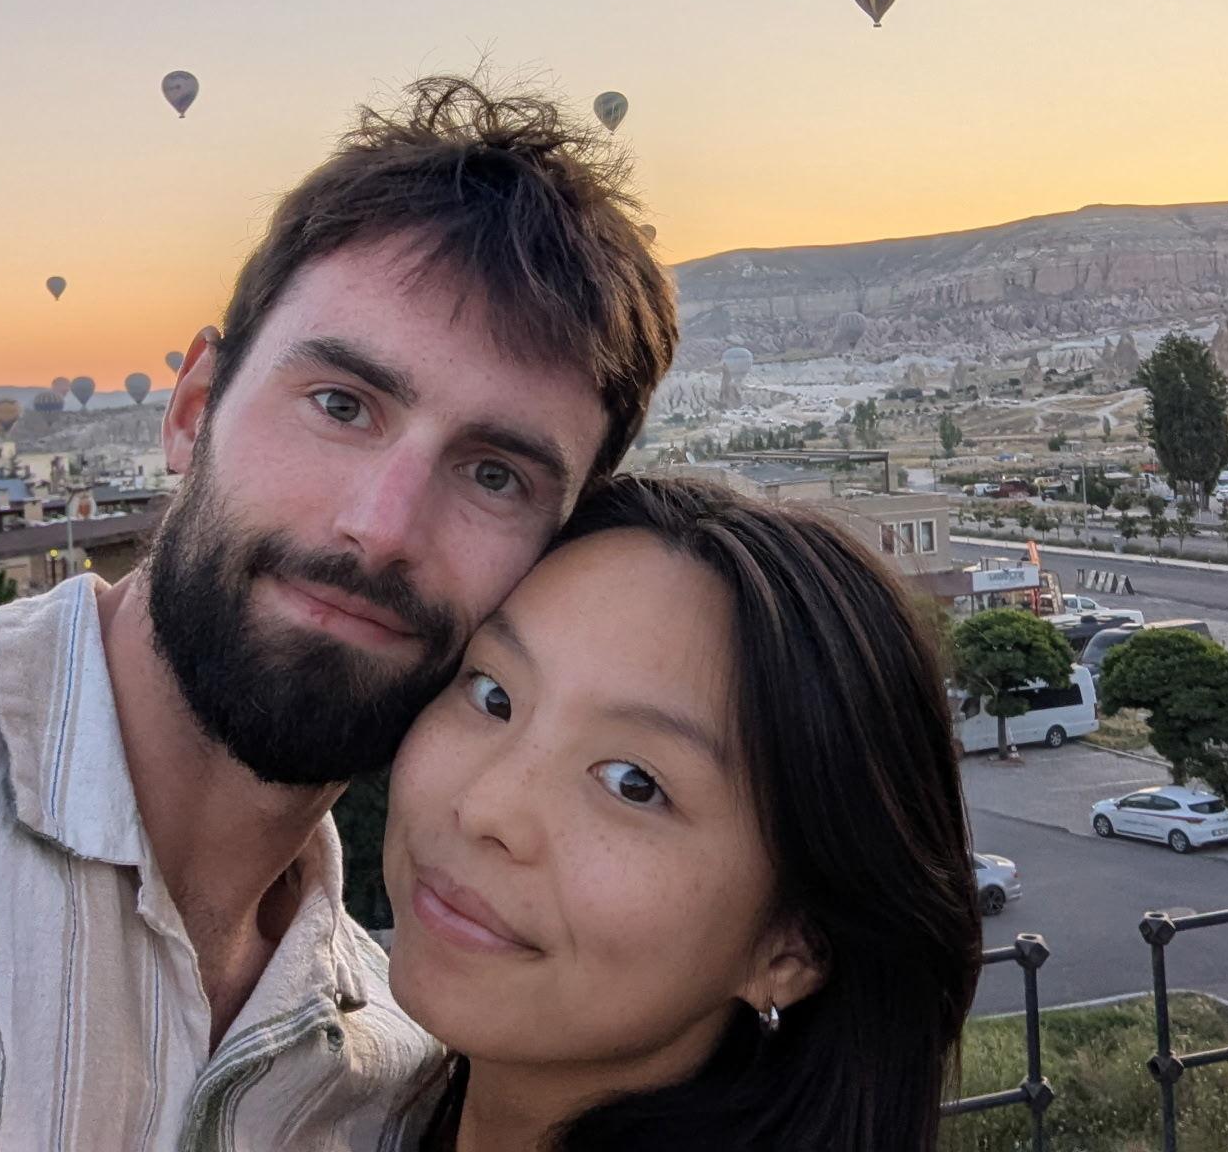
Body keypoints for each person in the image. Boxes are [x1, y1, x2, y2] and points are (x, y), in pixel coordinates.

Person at [0, 77, 676, 1150]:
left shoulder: (394, 1091)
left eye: (495, 475)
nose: (383, 527)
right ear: (193, 411)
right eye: (341, 405)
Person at [384, 473, 983, 1152]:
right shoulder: (354, 1106)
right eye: (493, 694)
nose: (484, 805)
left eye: (633, 783)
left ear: (794, 947)